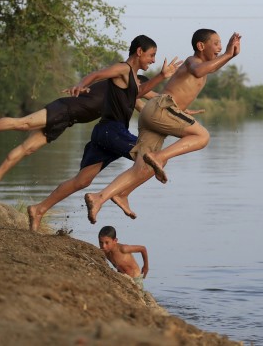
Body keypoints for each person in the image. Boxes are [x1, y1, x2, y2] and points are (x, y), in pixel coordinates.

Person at [84, 29, 242, 224]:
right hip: (162, 108)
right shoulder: (193, 61)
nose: (219, 47)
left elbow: (211, 68)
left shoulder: (205, 65)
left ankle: (104, 196)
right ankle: (158, 157)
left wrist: (230, 56)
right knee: (202, 137)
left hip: (155, 112)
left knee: (144, 166)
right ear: (201, 46)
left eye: (221, 44)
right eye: (216, 43)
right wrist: (227, 53)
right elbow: (201, 70)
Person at [27, 35, 182, 231]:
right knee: (154, 158)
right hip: (111, 130)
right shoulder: (123, 68)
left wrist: (162, 78)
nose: (153, 60)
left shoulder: (132, 75)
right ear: (139, 51)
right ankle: (120, 194)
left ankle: (38, 209)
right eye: (151, 55)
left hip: (107, 133)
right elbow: (97, 74)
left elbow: (138, 93)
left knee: (81, 181)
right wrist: (82, 84)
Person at [0, 69, 174, 201]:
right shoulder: (118, 82)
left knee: (28, 149)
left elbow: (149, 106)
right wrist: (81, 85)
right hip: (64, 108)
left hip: (69, 120)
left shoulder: (126, 97)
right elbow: (98, 76)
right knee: (23, 123)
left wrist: (177, 114)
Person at [98, 225, 148, 292]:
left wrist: (145, 266)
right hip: (122, 277)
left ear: (115, 241)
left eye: (107, 242)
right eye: (101, 242)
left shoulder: (123, 249)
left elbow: (143, 249)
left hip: (135, 279)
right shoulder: (105, 252)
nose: (103, 246)